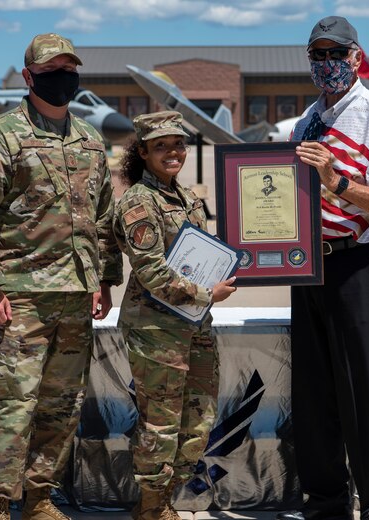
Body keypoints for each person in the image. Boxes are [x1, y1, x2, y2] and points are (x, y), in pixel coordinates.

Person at [0, 33, 122, 520]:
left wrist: (104, 279)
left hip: (75, 295)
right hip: (20, 296)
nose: (62, 78)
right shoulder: (0, 135)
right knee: (12, 402)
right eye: (51, 71)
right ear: (29, 77)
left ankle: (40, 497)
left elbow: (103, 218)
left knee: (60, 406)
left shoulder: (90, 140)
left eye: (69, 69)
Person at [283, 16, 369, 520]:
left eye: (335, 53)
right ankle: (326, 504)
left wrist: (337, 181)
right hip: (308, 267)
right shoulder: (304, 123)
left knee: (363, 390)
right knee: (314, 395)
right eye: (317, 55)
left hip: (360, 266)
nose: (326, 64)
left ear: (356, 57)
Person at [112, 111, 237, 520]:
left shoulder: (186, 198)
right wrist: (207, 292)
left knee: (200, 417)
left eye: (178, 144)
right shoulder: (138, 201)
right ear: (143, 151)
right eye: (161, 146)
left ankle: (164, 495)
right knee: (160, 423)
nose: (173, 152)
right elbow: (150, 272)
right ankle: (151, 506)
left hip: (195, 325)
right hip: (156, 331)